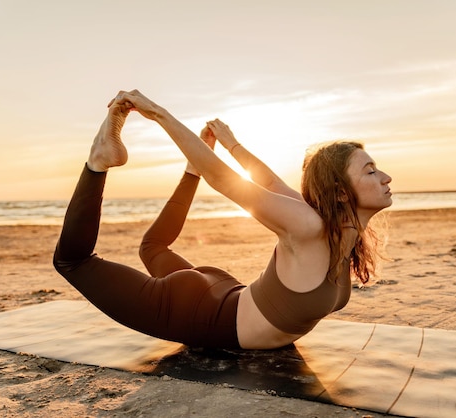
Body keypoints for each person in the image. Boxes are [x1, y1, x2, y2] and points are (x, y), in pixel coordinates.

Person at [54, 89, 392, 350]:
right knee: (72, 261)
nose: (385, 177)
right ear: (340, 192)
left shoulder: (339, 231)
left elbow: (271, 183)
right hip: (199, 315)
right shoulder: (308, 226)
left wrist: (231, 143)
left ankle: (189, 173)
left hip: (223, 291)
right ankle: (99, 160)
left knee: (153, 247)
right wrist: (157, 113)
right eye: (371, 171)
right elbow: (223, 180)